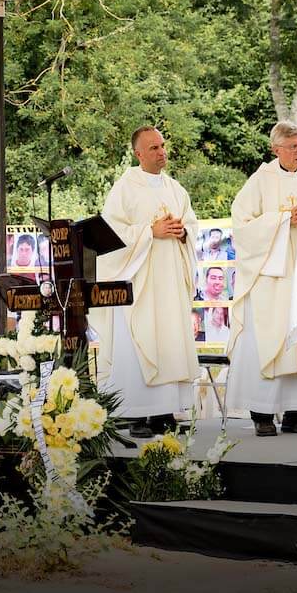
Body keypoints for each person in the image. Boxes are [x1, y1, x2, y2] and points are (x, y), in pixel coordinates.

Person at [90, 125, 200, 439]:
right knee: (137, 341)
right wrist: (149, 232)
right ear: (138, 153)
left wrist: (183, 232)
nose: (161, 152)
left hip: (169, 280)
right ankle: (135, 413)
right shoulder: (124, 188)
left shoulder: (176, 189)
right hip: (137, 282)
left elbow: (191, 223)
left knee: (167, 340)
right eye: (153, 148)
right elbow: (108, 235)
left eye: (163, 145)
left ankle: (163, 411)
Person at [226, 121, 297, 437]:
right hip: (270, 280)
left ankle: (295, 414)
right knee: (268, 343)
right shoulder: (259, 181)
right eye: (293, 147)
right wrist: (284, 220)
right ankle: (261, 414)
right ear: (276, 149)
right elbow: (242, 227)